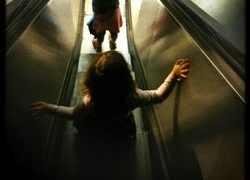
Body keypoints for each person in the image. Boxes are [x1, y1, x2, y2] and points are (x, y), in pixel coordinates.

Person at [30, 51, 190, 141]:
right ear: (127, 76)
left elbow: (72, 114)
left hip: (94, 128)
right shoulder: (133, 97)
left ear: (91, 80)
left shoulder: (90, 102)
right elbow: (158, 95)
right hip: (120, 128)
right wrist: (173, 74)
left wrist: (48, 108)